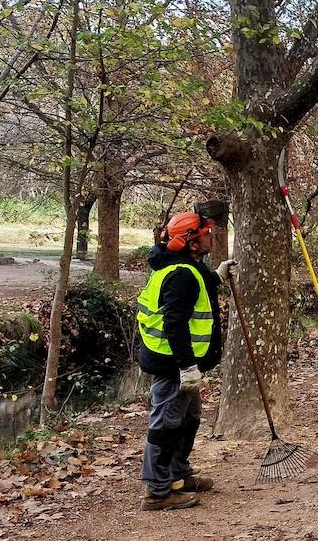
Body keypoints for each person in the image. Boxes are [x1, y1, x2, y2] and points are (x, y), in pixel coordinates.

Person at [136, 210, 234, 510]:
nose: (211, 236)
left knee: (188, 420)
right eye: (206, 233)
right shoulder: (180, 274)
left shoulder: (186, 265)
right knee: (166, 424)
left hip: (180, 361)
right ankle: (158, 491)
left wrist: (217, 274)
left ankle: (178, 474)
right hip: (172, 363)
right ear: (192, 242)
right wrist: (186, 367)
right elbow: (175, 323)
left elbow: (200, 282)